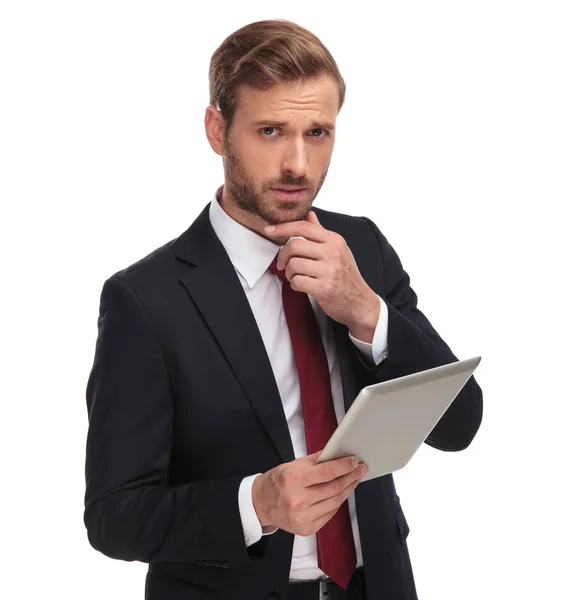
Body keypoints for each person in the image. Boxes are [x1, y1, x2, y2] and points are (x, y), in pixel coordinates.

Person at [83, 19, 483, 600]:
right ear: (217, 131)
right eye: (271, 130)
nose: (298, 163)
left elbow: (459, 424)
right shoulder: (145, 300)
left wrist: (365, 310)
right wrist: (257, 503)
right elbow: (114, 516)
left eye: (317, 132)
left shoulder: (361, 248)